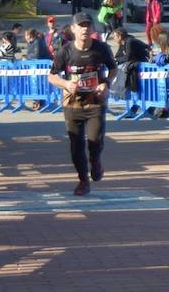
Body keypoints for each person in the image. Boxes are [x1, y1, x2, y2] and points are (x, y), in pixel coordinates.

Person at [48, 12, 117, 196]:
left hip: (95, 101)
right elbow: (51, 75)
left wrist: (106, 83)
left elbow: (113, 68)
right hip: (72, 104)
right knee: (76, 145)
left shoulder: (101, 49)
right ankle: (83, 180)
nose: (85, 28)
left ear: (93, 29)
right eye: (81, 25)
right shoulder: (66, 51)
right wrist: (65, 84)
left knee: (94, 141)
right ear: (73, 29)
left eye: (88, 25)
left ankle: (95, 161)